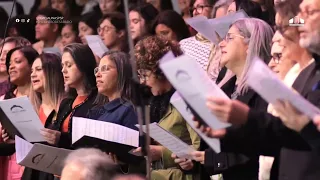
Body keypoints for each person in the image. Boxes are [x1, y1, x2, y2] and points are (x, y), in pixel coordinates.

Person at [196, 0, 320, 179]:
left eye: (310, 12)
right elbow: (285, 137)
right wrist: (230, 134)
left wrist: (247, 118)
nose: (303, 21)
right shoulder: (305, 74)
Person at [181, 18, 273, 180]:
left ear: (249, 44)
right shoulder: (223, 90)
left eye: (229, 38)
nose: (221, 44)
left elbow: (261, 146)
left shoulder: (265, 90)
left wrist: (214, 159)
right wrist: (195, 161)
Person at [134, 35, 200, 180]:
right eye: (140, 75)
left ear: (161, 72)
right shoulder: (153, 101)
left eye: (145, 75)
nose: (142, 81)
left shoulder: (186, 99)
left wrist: (162, 152)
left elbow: (200, 151)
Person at [44, 43, 98, 150]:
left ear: (83, 66)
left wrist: (61, 139)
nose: (63, 70)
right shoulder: (66, 103)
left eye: (68, 65)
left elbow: (92, 142)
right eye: (62, 65)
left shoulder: (98, 101)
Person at [22, 53, 66, 180]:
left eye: (38, 69)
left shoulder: (66, 107)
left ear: (52, 72)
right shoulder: (32, 109)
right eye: (31, 71)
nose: (32, 74)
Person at [0, 46, 39, 180]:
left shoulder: (42, 99)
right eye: (9, 63)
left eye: (17, 62)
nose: (11, 67)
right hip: (7, 167)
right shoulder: (3, 100)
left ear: (31, 65)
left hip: (33, 166)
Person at [88, 51, 137, 130]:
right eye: (97, 70)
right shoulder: (97, 110)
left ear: (121, 72)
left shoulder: (130, 111)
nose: (97, 74)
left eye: (105, 69)